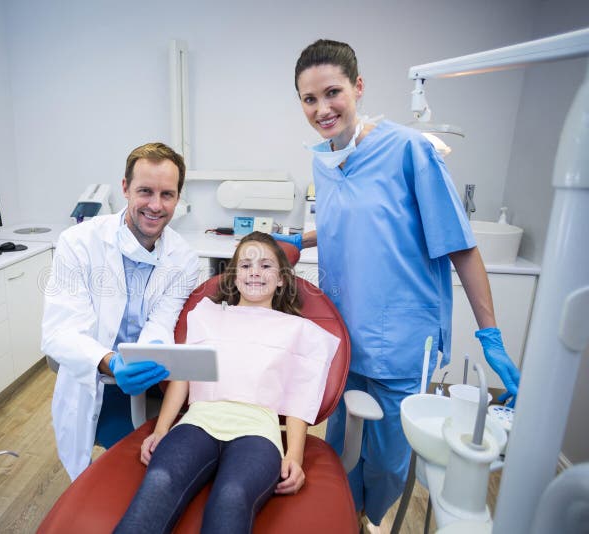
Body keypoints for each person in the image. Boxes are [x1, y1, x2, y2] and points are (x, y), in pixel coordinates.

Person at [273, 39, 521, 530]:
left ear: (358, 87)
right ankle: (346, 519)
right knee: (342, 455)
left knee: (386, 464)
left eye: (333, 92)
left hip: (401, 342)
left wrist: (490, 333)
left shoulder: (410, 149)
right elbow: (365, 221)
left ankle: (368, 517)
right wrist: (298, 240)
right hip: (346, 338)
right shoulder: (325, 159)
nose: (322, 109)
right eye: (309, 99)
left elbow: (461, 244)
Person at [115, 232, 341, 533]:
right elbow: (183, 378)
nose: (255, 272)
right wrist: (160, 430)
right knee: (160, 480)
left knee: (232, 496)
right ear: (234, 278)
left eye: (265, 266)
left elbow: (300, 399)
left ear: (282, 279)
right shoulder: (206, 315)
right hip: (197, 423)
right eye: (245, 266)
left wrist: (294, 457)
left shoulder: (299, 331)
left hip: (258, 433)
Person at [41, 142, 199, 480]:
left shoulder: (183, 258)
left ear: (178, 197)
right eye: (145, 191)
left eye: (167, 194)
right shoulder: (78, 243)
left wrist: (152, 349)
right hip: (91, 377)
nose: (156, 206)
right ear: (125, 188)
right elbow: (59, 333)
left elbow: (162, 319)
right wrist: (111, 360)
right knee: (91, 478)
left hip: (147, 383)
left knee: (142, 470)